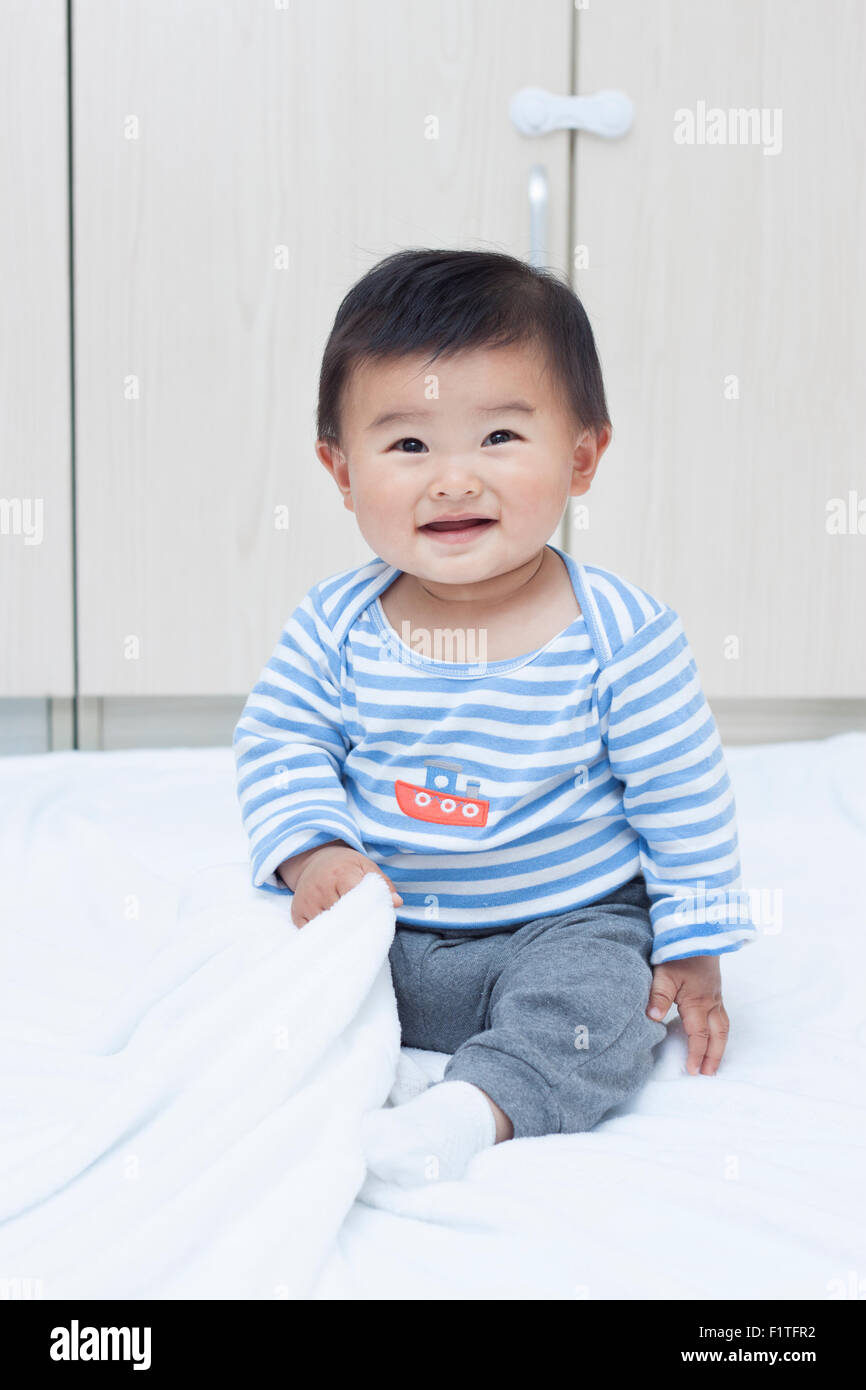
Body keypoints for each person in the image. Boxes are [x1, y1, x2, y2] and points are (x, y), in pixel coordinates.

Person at [233, 248, 756, 1188]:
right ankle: (348, 1068)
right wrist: (314, 856)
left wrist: (694, 942)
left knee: (608, 1003)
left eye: (501, 439)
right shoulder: (334, 626)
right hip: (384, 922)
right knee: (252, 958)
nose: (454, 480)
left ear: (582, 456)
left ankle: (477, 1110)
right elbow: (281, 744)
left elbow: (683, 798)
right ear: (341, 470)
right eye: (408, 446)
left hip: (560, 927)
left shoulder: (621, 637)